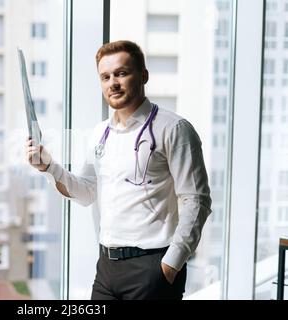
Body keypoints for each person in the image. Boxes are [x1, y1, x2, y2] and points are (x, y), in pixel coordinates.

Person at [24, 40, 212, 300]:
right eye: (105, 76)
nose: (113, 82)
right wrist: (49, 167)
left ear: (143, 75)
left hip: (152, 267)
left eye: (121, 73)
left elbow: (196, 200)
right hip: (107, 268)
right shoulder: (101, 133)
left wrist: (171, 264)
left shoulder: (174, 128)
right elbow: (87, 192)